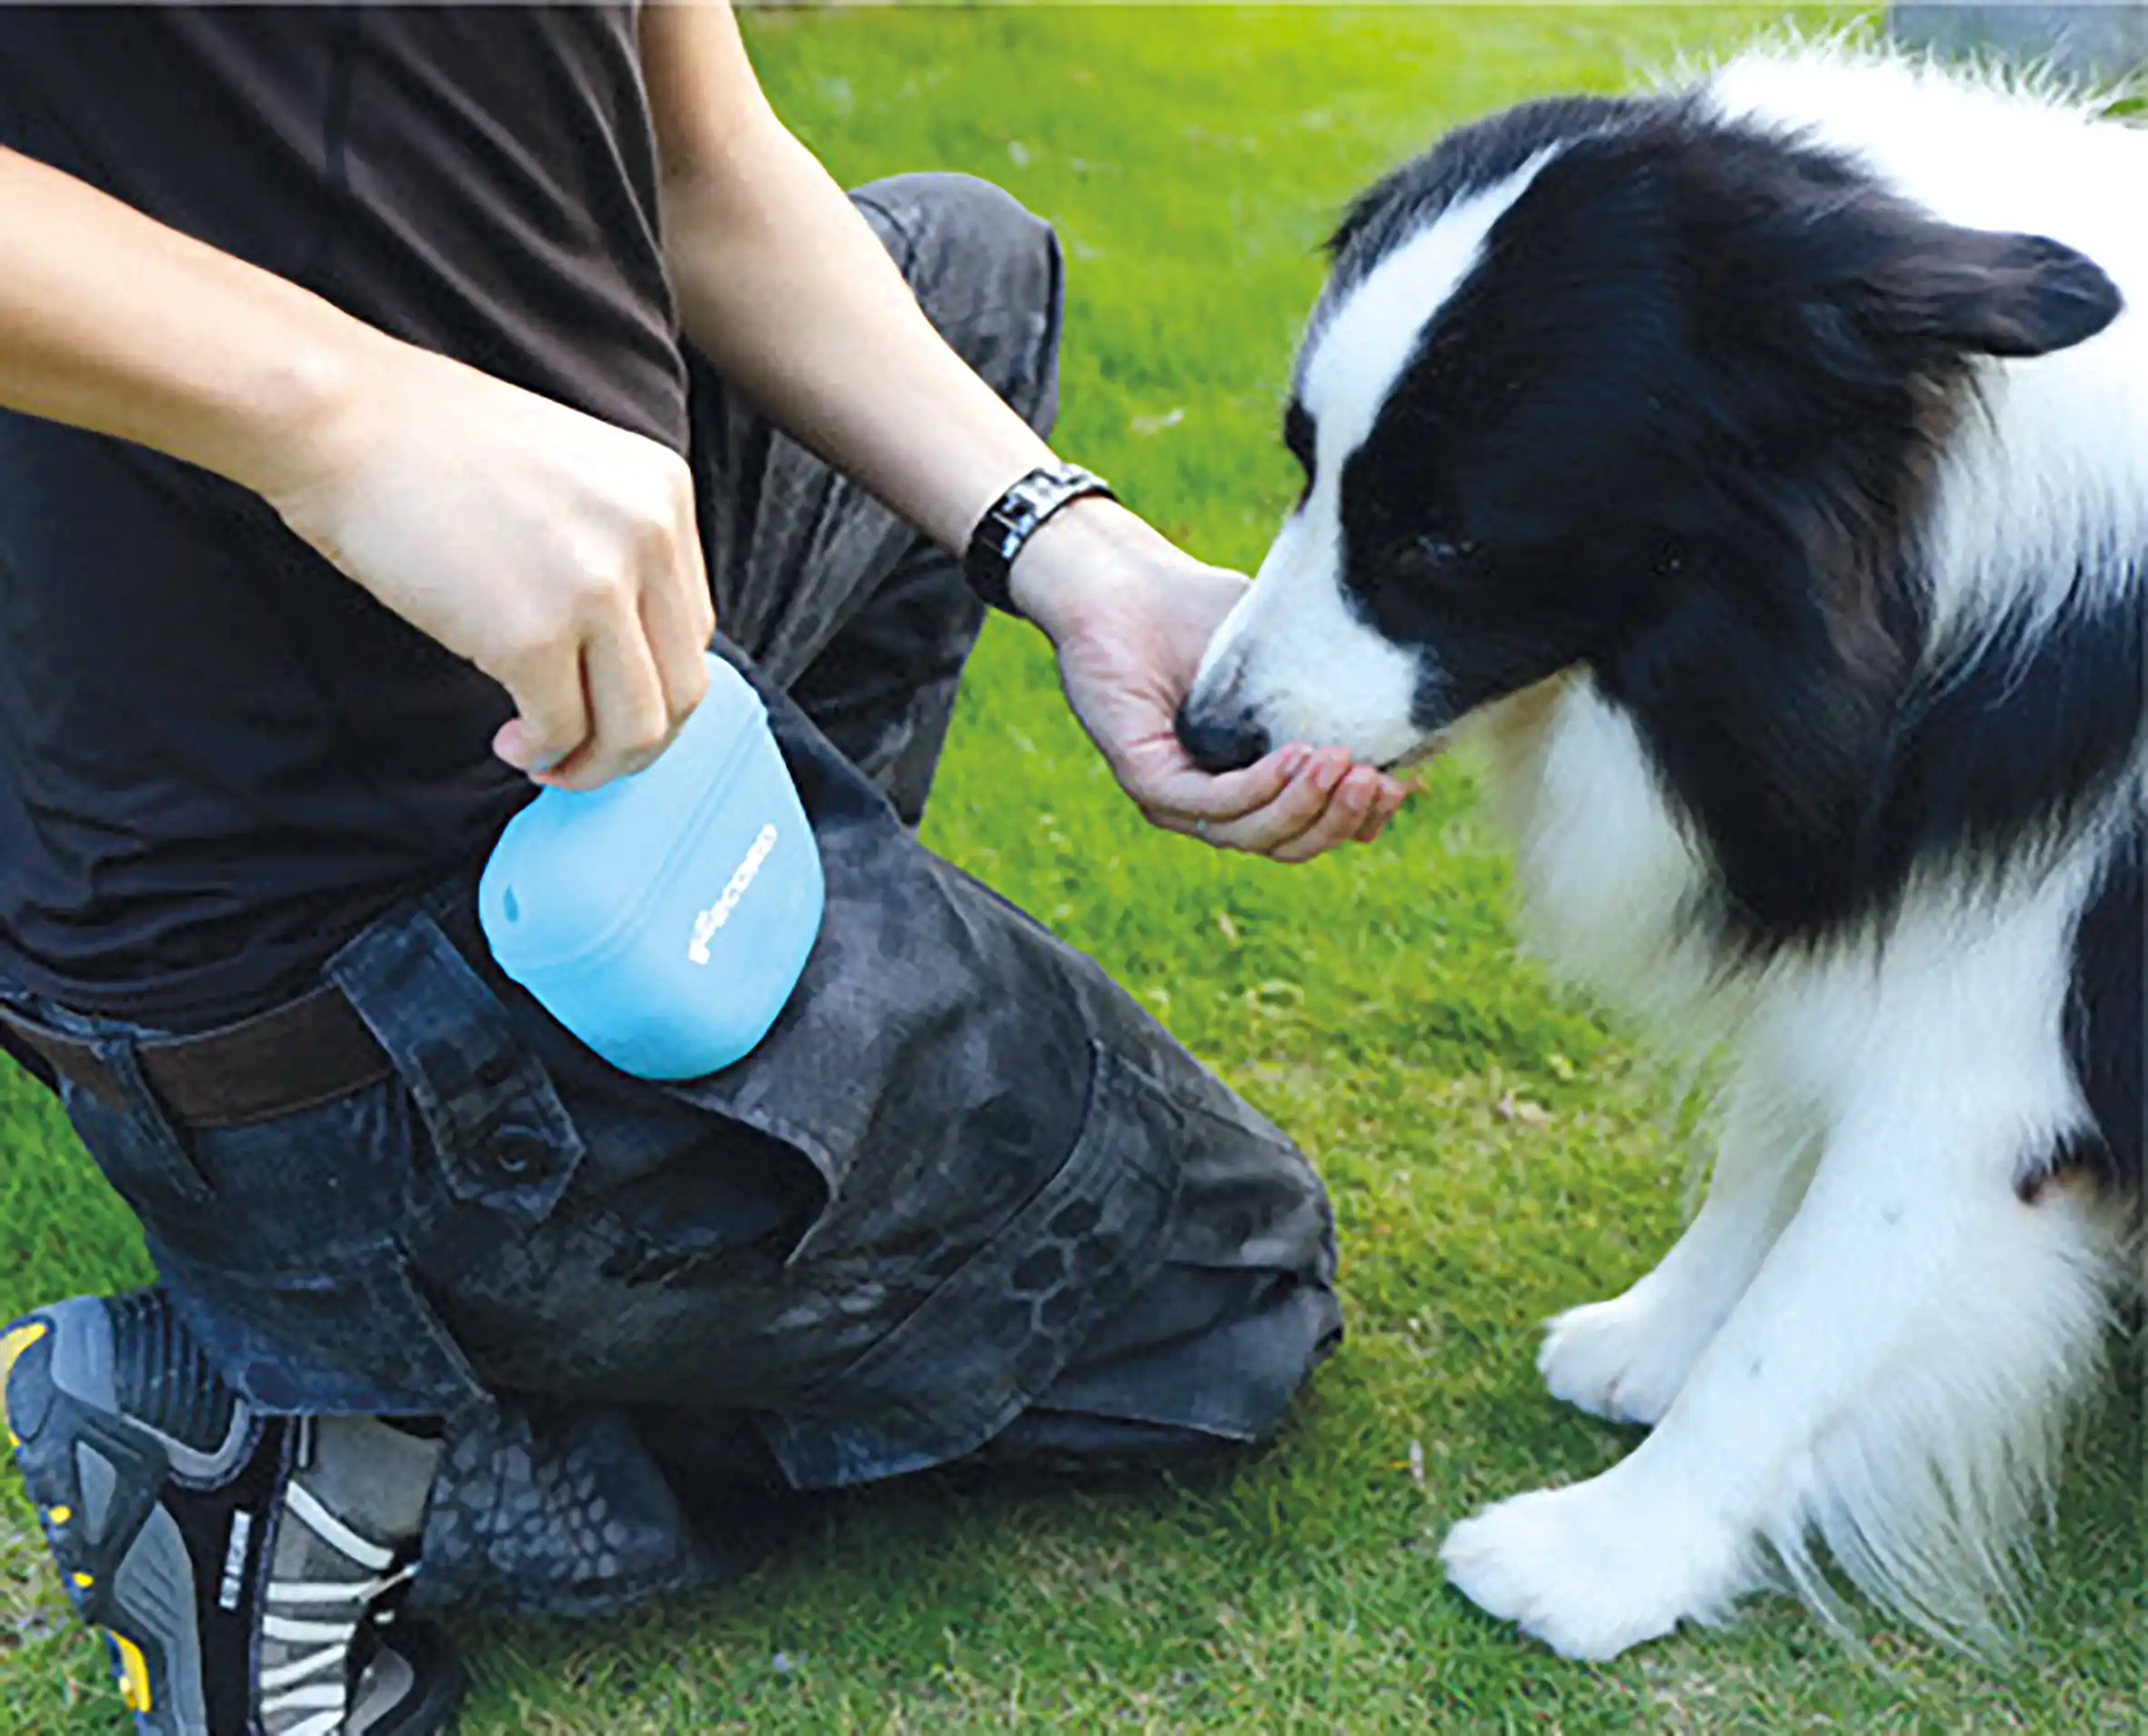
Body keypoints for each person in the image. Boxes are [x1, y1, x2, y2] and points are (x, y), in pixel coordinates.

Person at [0, 6, 1410, 1732]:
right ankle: (317, 1453)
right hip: (326, 926)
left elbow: (701, 158)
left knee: (964, 261)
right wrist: (343, 415)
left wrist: (1073, 548)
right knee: (1227, 1291)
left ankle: (778, 1033)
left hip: (545, 639)